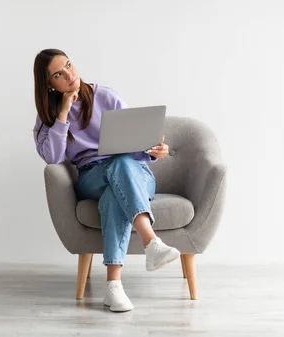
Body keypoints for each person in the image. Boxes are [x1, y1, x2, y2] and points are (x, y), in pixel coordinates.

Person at [32, 48, 180, 312]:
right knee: (115, 172)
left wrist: (154, 150)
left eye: (69, 65)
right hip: (92, 176)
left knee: (119, 175)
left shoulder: (105, 96)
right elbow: (53, 158)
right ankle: (151, 243)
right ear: (49, 85)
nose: (69, 74)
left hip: (135, 172)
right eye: (58, 73)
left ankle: (114, 287)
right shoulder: (50, 116)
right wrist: (64, 113)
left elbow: (136, 144)